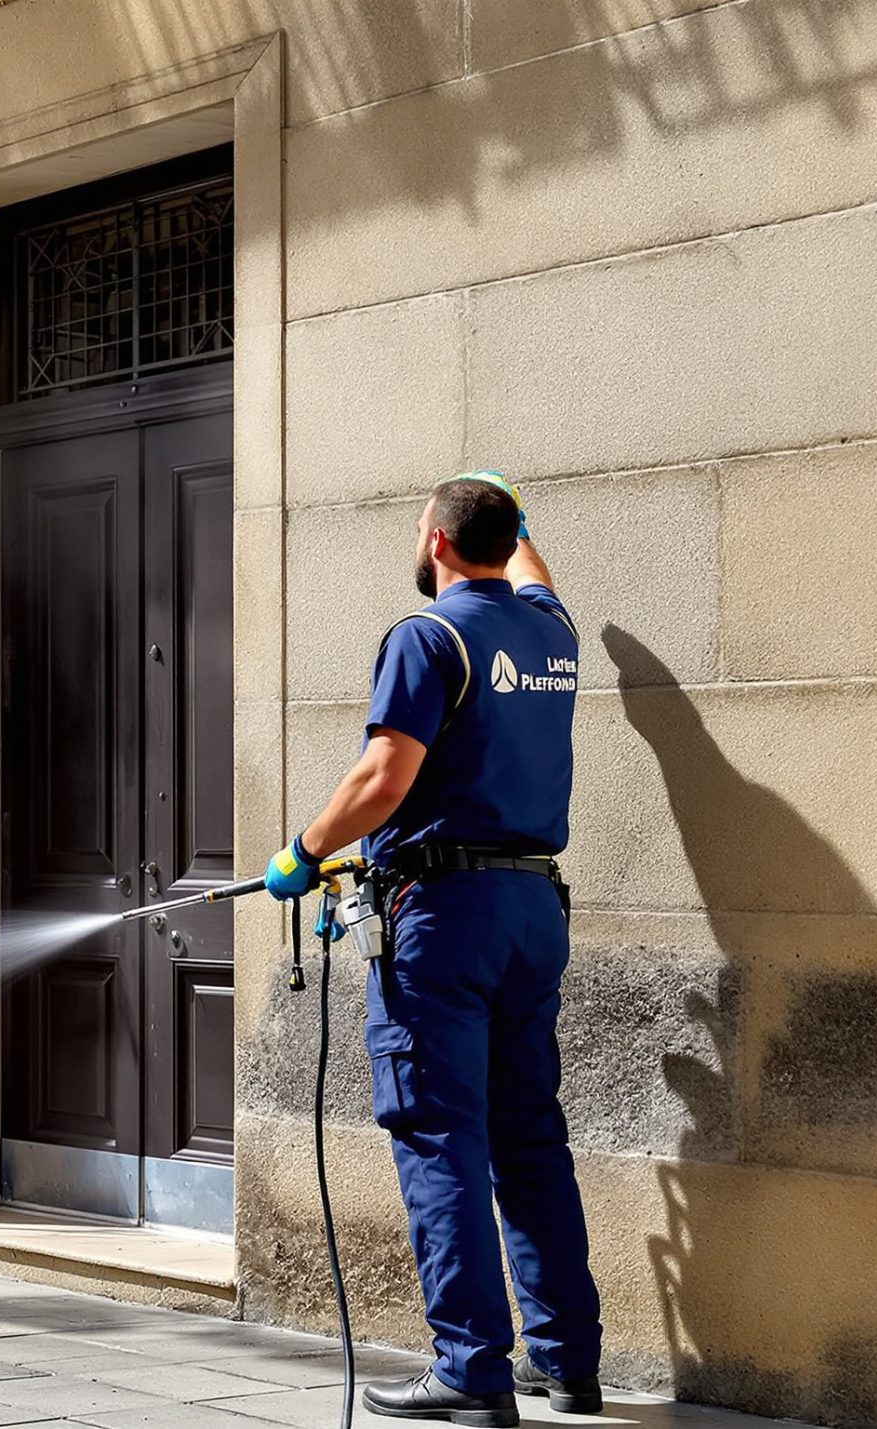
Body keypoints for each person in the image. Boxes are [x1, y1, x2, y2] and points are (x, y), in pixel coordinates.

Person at [263, 473, 602, 1426]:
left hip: (444, 916)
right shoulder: (551, 632)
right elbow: (535, 574)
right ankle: (567, 1363)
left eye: (422, 526)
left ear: (440, 542)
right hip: (532, 908)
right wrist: (509, 510)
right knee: (528, 1133)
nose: (418, 538)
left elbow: (384, 776)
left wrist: (304, 851)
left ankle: (471, 1369)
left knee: (438, 1132)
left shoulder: (428, 637)